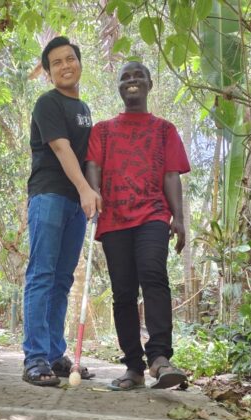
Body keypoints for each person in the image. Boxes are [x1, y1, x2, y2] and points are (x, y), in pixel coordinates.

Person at [85, 61, 190, 390]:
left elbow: (171, 175)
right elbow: (93, 166)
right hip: (114, 217)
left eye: (138, 76)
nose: (132, 81)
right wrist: (93, 194)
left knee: (154, 276)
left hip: (153, 214)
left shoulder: (165, 130)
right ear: (118, 87)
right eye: (125, 77)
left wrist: (180, 219)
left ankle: (159, 358)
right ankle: (133, 366)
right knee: (124, 292)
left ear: (149, 84)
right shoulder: (102, 130)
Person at [22, 36, 102, 386]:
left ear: (79, 63)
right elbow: (61, 147)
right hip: (50, 196)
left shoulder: (83, 108)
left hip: (75, 203)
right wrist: (86, 189)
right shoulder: (47, 103)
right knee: (42, 274)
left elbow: (89, 159)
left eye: (70, 59)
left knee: (62, 280)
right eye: (56, 63)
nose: (65, 66)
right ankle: (35, 358)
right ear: (49, 73)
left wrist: (91, 192)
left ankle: (55, 355)